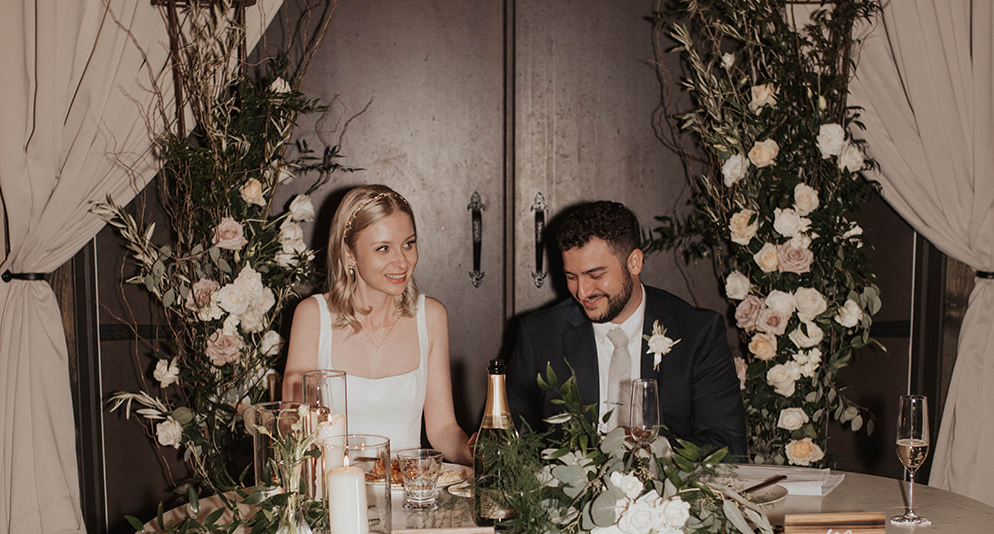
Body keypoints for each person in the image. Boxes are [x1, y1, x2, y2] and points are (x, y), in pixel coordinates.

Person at [504, 200, 747, 455]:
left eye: (596, 275)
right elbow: (512, 441)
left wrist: (656, 450)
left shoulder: (697, 333)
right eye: (571, 277)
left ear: (634, 263)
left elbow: (729, 443)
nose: (582, 292)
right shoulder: (539, 335)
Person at [282, 184, 472, 465]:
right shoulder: (312, 316)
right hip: (334, 487)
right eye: (383, 248)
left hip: (408, 488)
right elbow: (291, 425)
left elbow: (443, 429)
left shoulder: (431, 316)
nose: (402, 262)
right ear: (350, 253)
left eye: (408, 244)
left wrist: (475, 451)